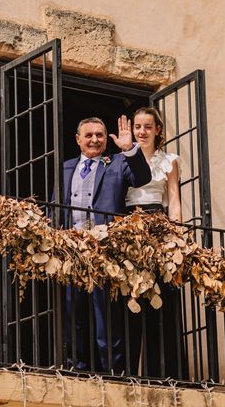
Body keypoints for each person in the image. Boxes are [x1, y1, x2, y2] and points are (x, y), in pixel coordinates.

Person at [62, 115, 151, 373]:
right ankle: (75, 368)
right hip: (72, 252)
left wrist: (129, 150)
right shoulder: (65, 167)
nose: (95, 140)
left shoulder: (116, 162)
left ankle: (113, 371)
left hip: (105, 251)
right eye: (88, 135)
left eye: (99, 135)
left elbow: (142, 178)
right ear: (78, 140)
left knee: (106, 318)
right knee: (73, 315)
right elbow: (57, 206)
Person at [125, 106, 187, 379]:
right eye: (138, 127)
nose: (142, 132)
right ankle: (127, 369)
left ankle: (166, 370)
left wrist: (178, 235)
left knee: (161, 293)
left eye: (148, 127)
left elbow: (173, 199)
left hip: (158, 223)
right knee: (131, 294)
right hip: (128, 225)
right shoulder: (122, 159)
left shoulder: (169, 161)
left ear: (158, 130)